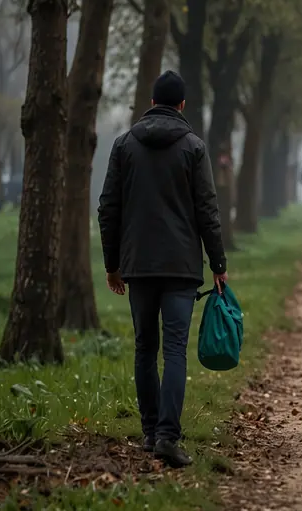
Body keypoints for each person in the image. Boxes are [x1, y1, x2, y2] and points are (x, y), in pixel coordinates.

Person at [98, 70, 228, 468]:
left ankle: (150, 431)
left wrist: (112, 264)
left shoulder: (123, 145)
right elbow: (207, 209)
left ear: (152, 103)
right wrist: (218, 263)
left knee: (144, 348)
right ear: (182, 105)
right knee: (174, 350)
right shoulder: (193, 147)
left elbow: (108, 208)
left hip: (137, 264)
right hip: (181, 265)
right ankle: (168, 438)